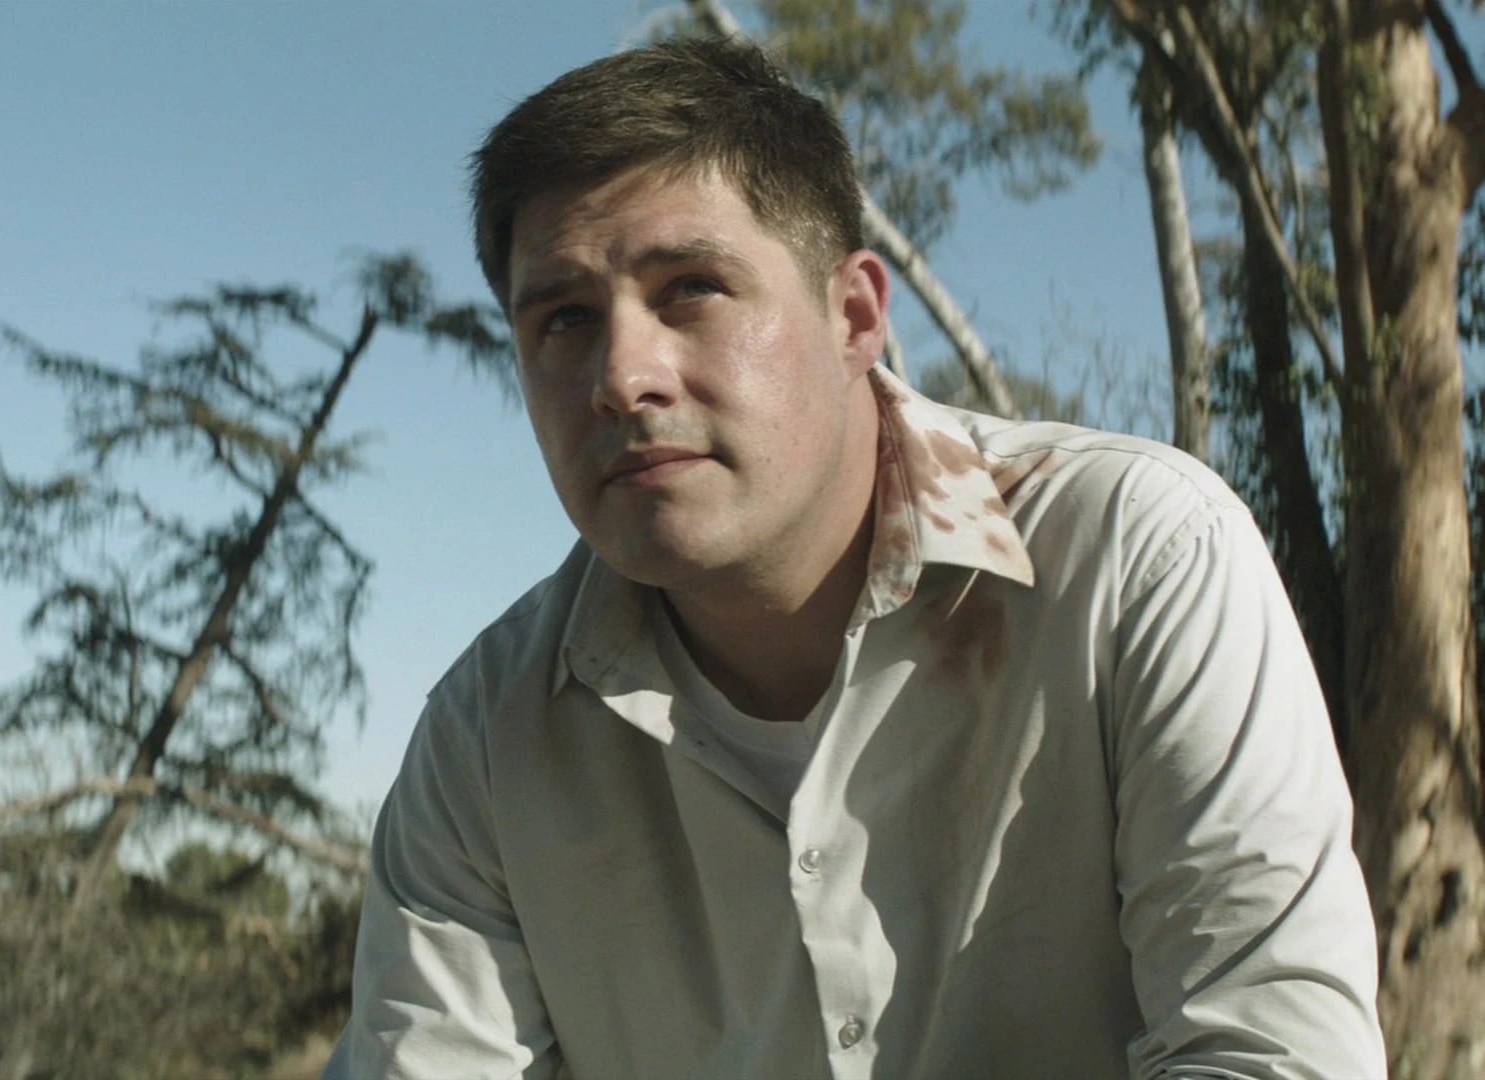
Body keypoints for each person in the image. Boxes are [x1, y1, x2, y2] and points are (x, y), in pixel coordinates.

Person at [323, 38, 1385, 1079]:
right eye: (563, 319)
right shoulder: (488, 743)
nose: (621, 377)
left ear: (854, 317)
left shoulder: (1135, 560)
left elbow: (1272, 1052)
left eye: (690, 287)